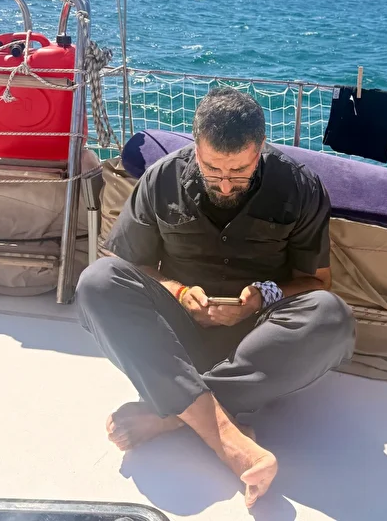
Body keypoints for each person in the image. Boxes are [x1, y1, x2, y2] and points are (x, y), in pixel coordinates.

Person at [75, 87, 356, 508]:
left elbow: (316, 283)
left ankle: (171, 415)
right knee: (97, 281)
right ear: (196, 147)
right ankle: (224, 434)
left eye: (239, 170)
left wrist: (262, 297)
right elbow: (127, 266)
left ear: (259, 149)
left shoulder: (299, 186)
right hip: (174, 335)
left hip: (258, 342)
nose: (225, 184)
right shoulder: (162, 179)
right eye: (212, 169)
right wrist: (178, 291)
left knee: (332, 317)